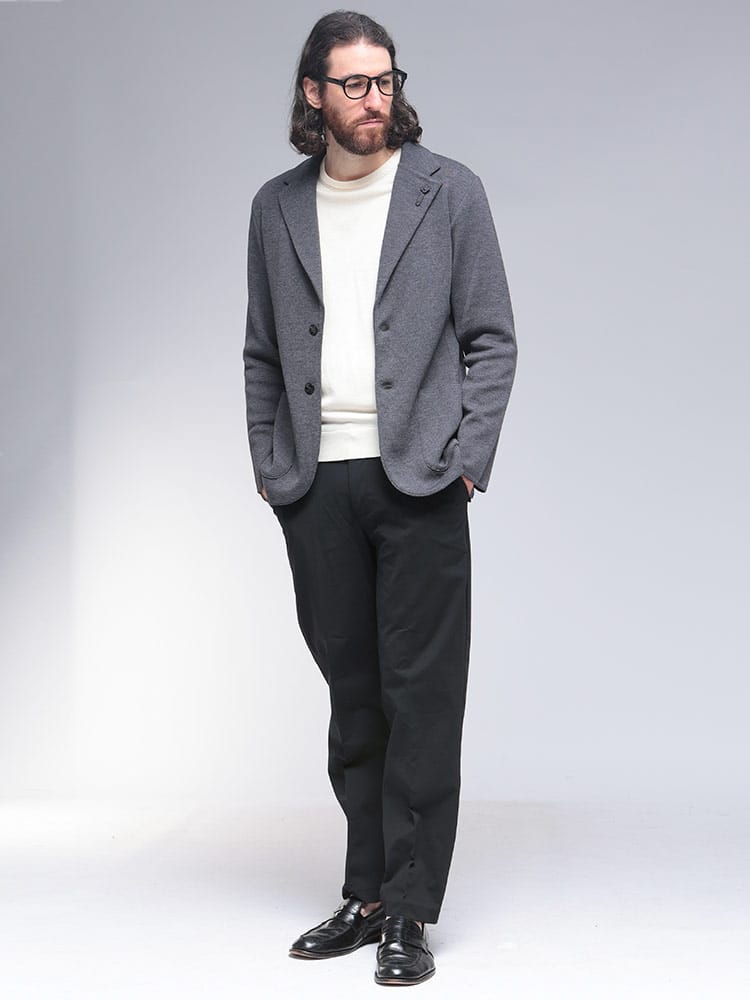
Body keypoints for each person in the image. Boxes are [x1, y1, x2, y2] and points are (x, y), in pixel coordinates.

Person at [243, 10, 517, 988]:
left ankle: (409, 907)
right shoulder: (277, 207)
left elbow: (492, 337)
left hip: (421, 479)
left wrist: (468, 458)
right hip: (317, 483)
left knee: (422, 699)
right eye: (354, 83)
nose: (374, 98)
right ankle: (365, 892)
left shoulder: (449, 191)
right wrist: (272, 467)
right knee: (355, 699)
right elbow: (262, 351)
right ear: (313, 93)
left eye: (386, 79)